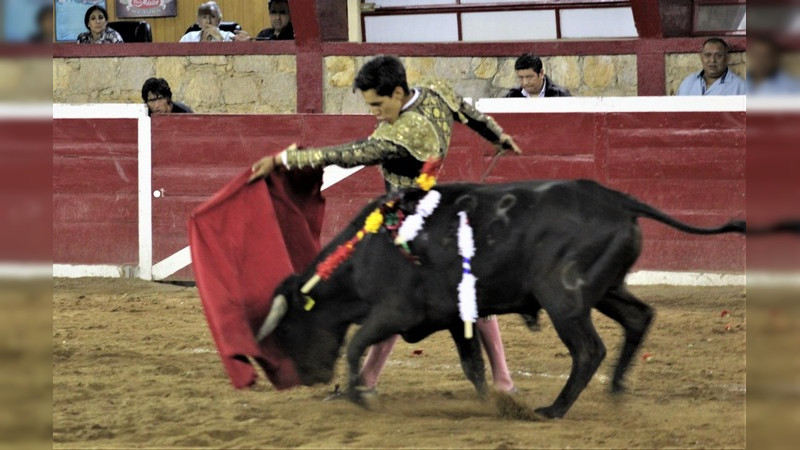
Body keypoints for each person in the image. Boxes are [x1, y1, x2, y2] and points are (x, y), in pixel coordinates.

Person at [250, 55, 521, 395]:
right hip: (437, 209)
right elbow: (468, 113)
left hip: (406, 219)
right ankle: (499, 380)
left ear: (396, 92)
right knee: (460, 289)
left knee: (394, 293)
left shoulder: (404, 133)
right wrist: (498, 136)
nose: (373, 113)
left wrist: (285, 159)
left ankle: (372, 380)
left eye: (377, 104)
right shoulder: (435, 91)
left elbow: (349, 153)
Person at [676, 38, 745, 96]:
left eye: (718, 55)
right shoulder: (688, 83)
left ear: (727, 58)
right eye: (708, 55)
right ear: (701, 57)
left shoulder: (740, 87)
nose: (712, 60)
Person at [505, 53, 571, 98]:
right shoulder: (512, 96)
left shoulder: (560, 96)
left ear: (541, 73)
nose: (525, 82)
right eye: (521, 78)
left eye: (529, 77)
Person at [180, 1, 251, 42]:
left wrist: (220, 39)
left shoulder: (228, 36)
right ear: (199, 21)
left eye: (212, 17)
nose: (208, 21)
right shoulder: (188, 37)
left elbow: (231, 61)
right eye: (204, 17)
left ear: (219, 20)